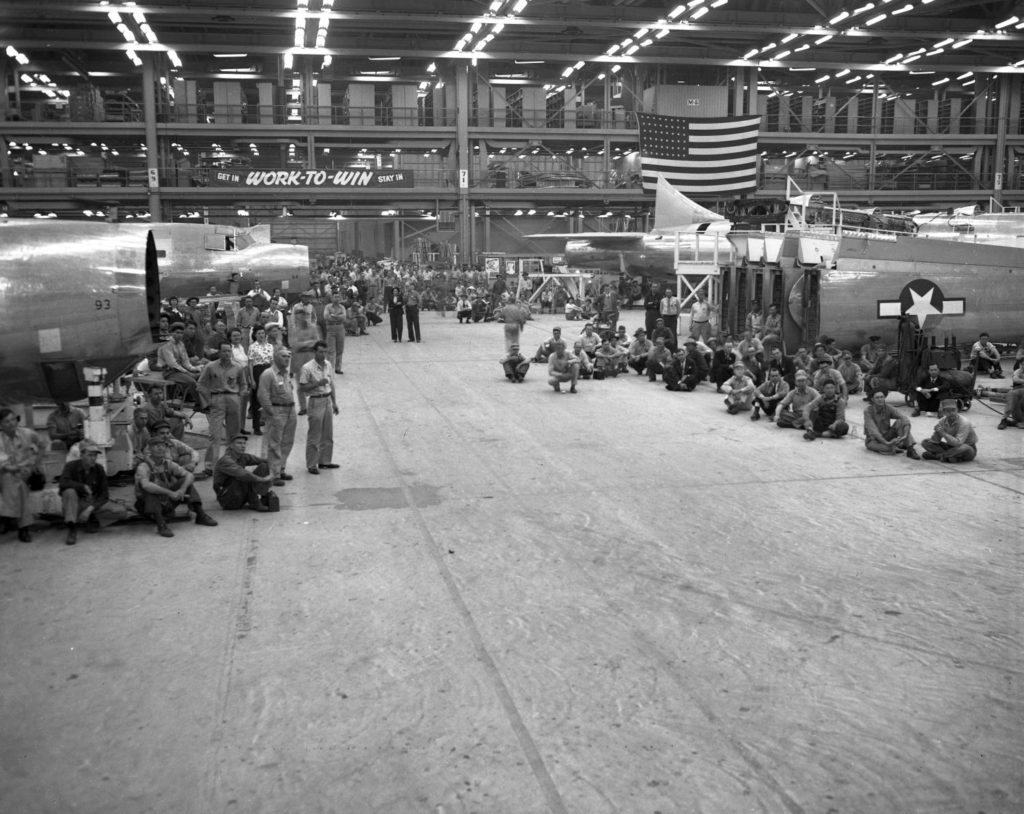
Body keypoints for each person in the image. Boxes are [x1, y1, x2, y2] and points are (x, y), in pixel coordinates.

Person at [134, 435, 217, 538]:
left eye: (162, 445)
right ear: (150, 449)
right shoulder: (143, 466)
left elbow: (189, 475)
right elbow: (146, 486)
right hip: (148, 507)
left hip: (166, 502)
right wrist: (170, 493)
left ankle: (200, 515)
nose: (160, 448)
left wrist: (182, 490)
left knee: (185, 481)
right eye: (156, 446)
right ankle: (161, 525)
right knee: (150, 491)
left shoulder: (168, 464)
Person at [58, 440, 129, 545]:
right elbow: (63, 483)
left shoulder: (99, 469)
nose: (93, 458)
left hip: (91, 503)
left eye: (95, 455)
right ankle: (72, 528)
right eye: (90, 455)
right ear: (81, 454)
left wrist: (90, 509)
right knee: (69, 492)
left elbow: (104, 495)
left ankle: (91, 518)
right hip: (75, 504)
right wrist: (81, 486)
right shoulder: (70, 466)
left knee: (121, 511)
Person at [197, 341, 245, 477]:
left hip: (233, 400)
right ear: (219, 352)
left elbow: (243, 384)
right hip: (217, 399)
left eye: (229, 351)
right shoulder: (210, 367)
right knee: (214, 435)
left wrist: (239, 395)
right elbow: (200, 384)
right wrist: (208, 400)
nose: (227, 354)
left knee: (233, 434)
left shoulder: (238, 367)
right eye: (224, 351)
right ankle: (210, 467)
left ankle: (232, 463)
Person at [0, 407, 44, 542]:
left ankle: (7, 518)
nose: (11, 423)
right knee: (17, 484)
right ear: (1, 425)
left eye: (13, 419)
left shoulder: (27, 433)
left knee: (17, 482)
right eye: (7, 421)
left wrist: (35, 464)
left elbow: (42, 445)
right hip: (8, 471)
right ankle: (23, 527)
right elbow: (4, 464)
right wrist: (15, 469)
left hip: (28, 471)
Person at [257, 346, 297, 486]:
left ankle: (281, 468)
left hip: (290, 410)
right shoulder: (268, 374)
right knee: (274, 442)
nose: (287, 359)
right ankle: (273, 473)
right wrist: (271, 413)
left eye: (288, 356)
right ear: (275, 358)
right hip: (277, 410)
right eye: (283, 356)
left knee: (287, 441)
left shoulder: (285, 373)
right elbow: (263, 395)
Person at [299, 340, 339, 474]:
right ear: (314, 352)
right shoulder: (307, 368)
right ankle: (311, 464)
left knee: (328, 433)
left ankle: (325, 461)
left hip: (327, 399)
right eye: (320, 351)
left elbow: (331, 384)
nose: (323, 354)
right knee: (314, 435)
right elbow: (302, 388)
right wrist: (317, 384)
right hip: (315, 401)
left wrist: (334, 402)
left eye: (325, 352)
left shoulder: (328, 364)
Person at [213, 434, 275, 512]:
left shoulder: (242, 456)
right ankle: (255, 502)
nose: (243, 446)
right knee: (243, 476)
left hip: (238, 494)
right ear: (231, 446)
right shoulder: (226, 460)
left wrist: (272, 472)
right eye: (239, 443)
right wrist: (264, 479)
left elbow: (264, 461)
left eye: (244, 443)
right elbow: (244, 475)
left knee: (264, 466)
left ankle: (259, 497)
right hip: (227, 500)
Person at [863, 391, 921, 459]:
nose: (880, 399)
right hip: (873, 440)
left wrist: (905, 435)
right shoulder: (868, 411)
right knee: (887, 448)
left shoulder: (888, 407)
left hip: (887, 435)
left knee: (900, 421)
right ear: (872, 399)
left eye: (882, 397)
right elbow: (874, 432)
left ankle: (910, 449)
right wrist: (887, 443)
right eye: (877, 397)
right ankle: (897, 446)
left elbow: (904, 418)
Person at [158, 322, 204, 407]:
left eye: (181, 333)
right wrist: (187, 372)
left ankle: (193, 398)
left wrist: (194, 369)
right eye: (177, 333)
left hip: (181, 370)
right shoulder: (166, 344)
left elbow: (185, 361)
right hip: (169, 372)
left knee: (203, 374)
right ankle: (201, 404)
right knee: (191, 381)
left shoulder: (181, 344)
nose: (179, 335)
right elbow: (172, 364)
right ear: (171, 333)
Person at [248, 325, 275, 436]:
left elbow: (272, 361)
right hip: (257, 370)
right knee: (257, 400)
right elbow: (250, 364)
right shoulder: (252, 347)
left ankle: (270, 424)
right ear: (255, 335)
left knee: (270, 398)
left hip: (268, 369)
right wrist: (252, 379)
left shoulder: (270, 346)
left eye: (262, 333)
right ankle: (256, 427)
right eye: (258, 333)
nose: (261, 335)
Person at [323, 291, 348, 373]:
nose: (336, 298)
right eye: (335, 296)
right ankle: (330, 368)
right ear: (331, 298)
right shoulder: (327, 307)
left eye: (338, 296)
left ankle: (338, 368)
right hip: (331, 328)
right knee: (331, 350)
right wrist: (338, 317)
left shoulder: (342, 307)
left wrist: (333, 316)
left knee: (340, 349)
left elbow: (344, 318)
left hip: (340, 328)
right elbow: (326, 317)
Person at [997, 363, 1024, 429]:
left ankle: (1017, 422)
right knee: (1012, 394)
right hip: (1018, 389)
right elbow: (1015, 379)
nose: (1023, 366)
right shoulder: (1018, 371)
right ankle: (1004, 419)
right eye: (1022, 364)